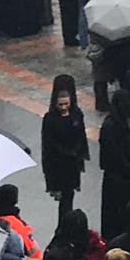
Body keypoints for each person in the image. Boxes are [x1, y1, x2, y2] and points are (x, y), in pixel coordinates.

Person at [98, 90, 130, 242]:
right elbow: (113, 154)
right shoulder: (110, 126)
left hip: (124, 175)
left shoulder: (123, 123)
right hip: (117, 176)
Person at [42, 75, 89, 219]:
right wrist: (66, 152)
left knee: (69, 195)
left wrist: (76, 150)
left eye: (66, 104)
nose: (63, 107)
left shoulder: (76, 114)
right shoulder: (50, 118)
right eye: (60, 104)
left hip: (72, 162)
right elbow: (49, 141)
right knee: (65, 198)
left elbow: (81, 134)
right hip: (58, 163)